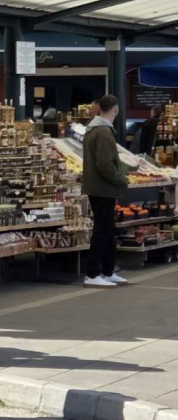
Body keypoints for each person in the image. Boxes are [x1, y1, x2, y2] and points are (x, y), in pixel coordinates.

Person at [83, 95, 129, 288]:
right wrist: (121, 179)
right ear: (116, 110)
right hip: (103, 188)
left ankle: (108, 271)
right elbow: (105, 164)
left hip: (99, 187)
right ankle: (93, 273)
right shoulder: (103, 132)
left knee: (108, 230)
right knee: (102, 231)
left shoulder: (94, 129)